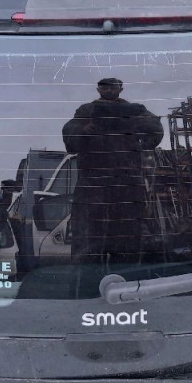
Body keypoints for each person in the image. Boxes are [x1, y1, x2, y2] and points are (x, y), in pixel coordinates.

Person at [62, 78, 164, 265]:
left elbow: (156, 130)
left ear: (120, 89)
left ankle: (126, 281)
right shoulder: (87, 111)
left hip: (126, 186)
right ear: (98, 90)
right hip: (93, 186)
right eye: (104, 87)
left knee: (127, 244)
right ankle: (89, 282)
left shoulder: (134, 110)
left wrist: (138, 133)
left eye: (112, 87)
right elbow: (70, 133)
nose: (108, 90)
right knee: (88, 245)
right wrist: (85, 130)